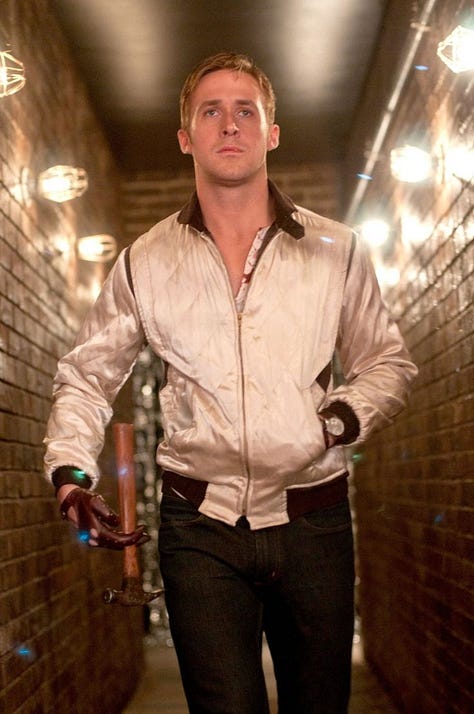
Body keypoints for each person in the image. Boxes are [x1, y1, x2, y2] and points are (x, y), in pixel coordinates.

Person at [44, 52, 417, 713]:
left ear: (272, 132)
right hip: (199, 528)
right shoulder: (144, 262)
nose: (230, 124)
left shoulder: (336, 250)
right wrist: (71, 473)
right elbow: (86, 374)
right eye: (210, 111)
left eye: (246, 110)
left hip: (315, 520)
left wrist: (331, 424)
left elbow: (388, 362)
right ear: (185, 137)